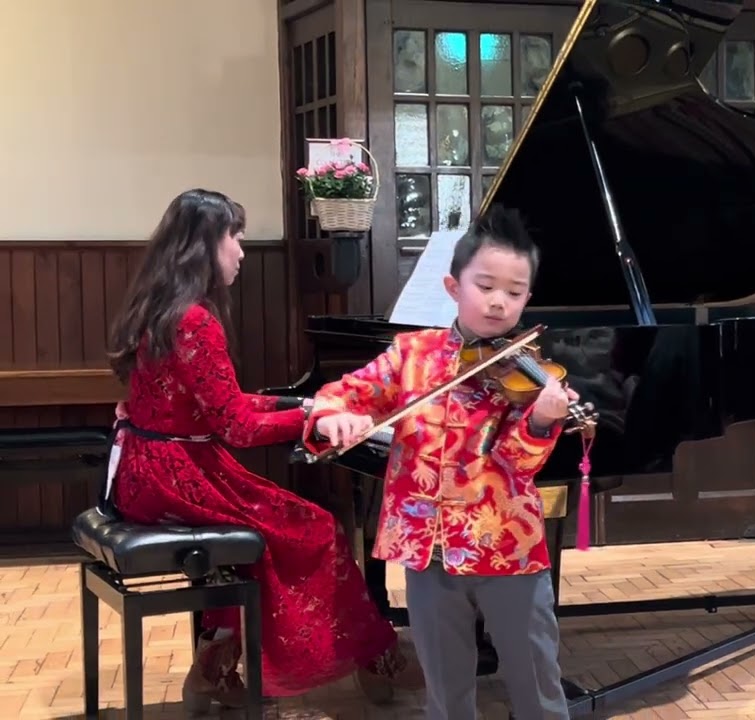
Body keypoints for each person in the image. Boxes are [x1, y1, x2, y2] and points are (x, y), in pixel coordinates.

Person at [105, 189, 422, 713]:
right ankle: (368, 655)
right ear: (206, 246)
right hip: (178, 474)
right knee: (312, 528)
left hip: (148, 471)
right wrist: (312, 415)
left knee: (278, 532)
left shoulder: (158, 309)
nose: (242, 252)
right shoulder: (195, 322)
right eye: (236, 238)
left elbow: (215, 405)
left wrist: (295, 401)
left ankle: (217, 664)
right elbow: (237, 428)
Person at [303, 204, 576, 720]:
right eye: (486, 285)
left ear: (527, 300)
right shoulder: (412, 353)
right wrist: (332, 414)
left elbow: (519, 465)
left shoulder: (529, 372)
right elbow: (349, 392)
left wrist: (542, 421)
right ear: (454, 287)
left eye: (514, 293)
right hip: (425, 546)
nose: (499, 302)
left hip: (505, 546)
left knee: (536, 682)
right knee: (446, 691)